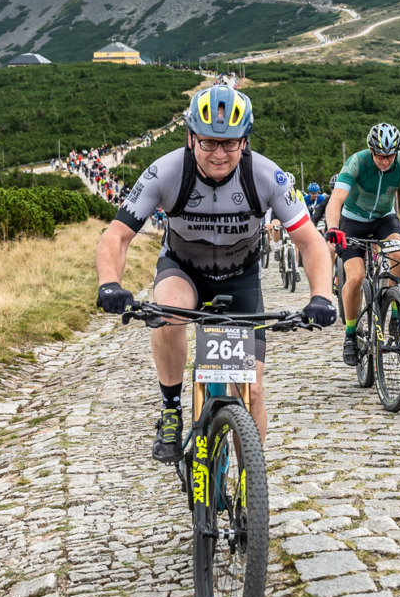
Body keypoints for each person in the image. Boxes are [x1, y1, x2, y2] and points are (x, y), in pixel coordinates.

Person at [94, 84, 336, 462]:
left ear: (245, 141)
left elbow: (310, 242)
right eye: (209, 142)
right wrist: (110, 283)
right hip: (183, 269)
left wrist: (321, 295)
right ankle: (172, 409)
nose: (220, 154)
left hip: (240, 278)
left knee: (252, 389)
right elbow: (117, 235)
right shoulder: (167, 171)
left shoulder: (267, 176)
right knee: (169, 312)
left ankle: (248, 480)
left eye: (231, 144)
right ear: (191, 138)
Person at [323, 123, 400, 365]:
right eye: (380, 156)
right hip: (352, 221)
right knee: (355, 277)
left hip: (384, 219)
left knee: (399, 250)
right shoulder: (357, 162)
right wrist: (334, 229)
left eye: (390, 156)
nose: (385, 161)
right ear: (371, 151)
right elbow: (336, 199)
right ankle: (349, 333)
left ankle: (397, 312)